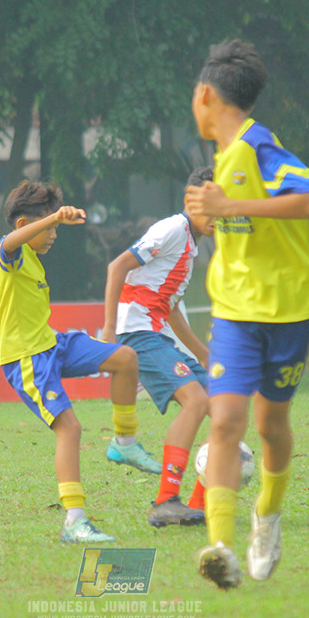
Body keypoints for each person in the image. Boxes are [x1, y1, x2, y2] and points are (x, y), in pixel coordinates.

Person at [185, 40, 309, 589]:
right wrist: (217, 218)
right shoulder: (223, 157)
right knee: (224, 422)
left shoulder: (259, 145)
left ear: (204, 95)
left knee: (272, 426)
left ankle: (266, 518)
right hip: (236, 314)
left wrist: (229, 208)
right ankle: (220, 546)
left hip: (289, 310)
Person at [0, 180, 148, 544]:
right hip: (27, 359)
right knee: (71, 429)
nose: (53, 234)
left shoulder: (28, 258)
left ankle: (124, 443)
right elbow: (8, 243)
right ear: (24, 226)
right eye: (47, 227)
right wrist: (55, 217)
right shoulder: (9, 249)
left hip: (54, 345)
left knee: (125, 358)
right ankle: (74, 521)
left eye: (54, 227)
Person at [101, 166, 217, 528]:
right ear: (189, 200)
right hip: (138, 334)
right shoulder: (172, 229)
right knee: (197, 401)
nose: (218, 215)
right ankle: (166, 500)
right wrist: (108, 329)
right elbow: (117, 265)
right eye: (209, 205)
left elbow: (168, 310)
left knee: (224, 407)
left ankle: (198, 503)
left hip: (157, 333)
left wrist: (200, 351)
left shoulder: (191, 246)